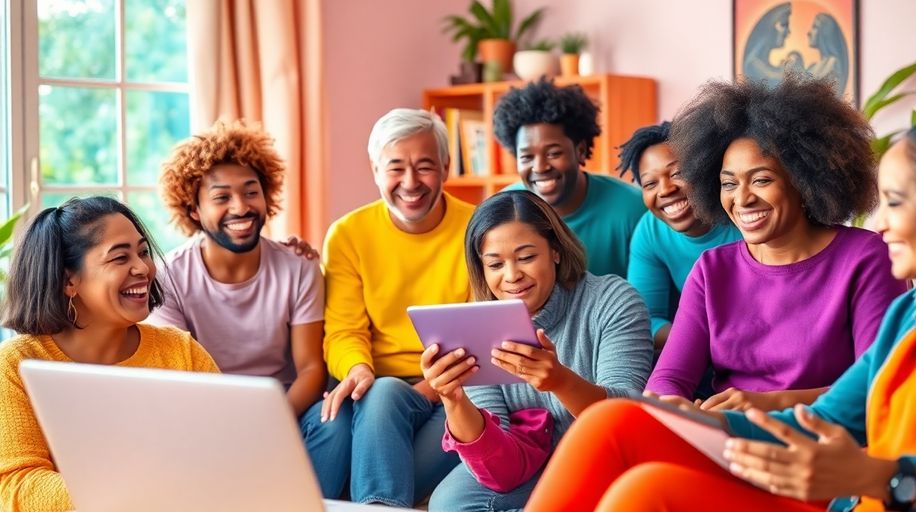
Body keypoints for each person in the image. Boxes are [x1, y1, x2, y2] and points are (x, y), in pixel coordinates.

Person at [526, 108, 916, 512]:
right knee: (615, 425)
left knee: (645, 489)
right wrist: (697, 422)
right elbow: (829, 417)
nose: (884, 224)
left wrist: (874, 474)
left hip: (858, 491)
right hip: (828, 482)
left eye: (895, 202)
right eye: (727, 183)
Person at [646, 75, 908, 412]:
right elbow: (669, 378)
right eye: (728, 184)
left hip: (819, 442)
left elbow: (881, 381)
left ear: (803, 181)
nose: (742, 198)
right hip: (725, 439)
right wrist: (670, 406)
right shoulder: (712, 270)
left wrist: (768, 404)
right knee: (611, 423)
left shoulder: (865, 258)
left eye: (761, 180)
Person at [146, 120, 347, 498]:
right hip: (208, 415)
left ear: (266, 196)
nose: (240, 207)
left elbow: (310, 368)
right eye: (221, 197)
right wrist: (234, 429)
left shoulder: (299, 266)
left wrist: (269, 422)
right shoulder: (169, 277)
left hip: (286, 408)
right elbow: (179, 378)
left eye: (250, 192)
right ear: (193, 209)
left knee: (336, 421)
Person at [422, 190, 652, 512]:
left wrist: (560, 382)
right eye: (495, 264)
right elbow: (502, 473)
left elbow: (627, 424)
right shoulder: (476, 325)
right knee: (449, 503)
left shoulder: (613, 301)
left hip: (605, 461)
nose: (512, 276)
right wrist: (453, 398)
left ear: (555, 251)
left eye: (526, 257)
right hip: (526, 466)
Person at [0, 197, 220, 512]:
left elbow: (228, 454)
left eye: (143, 252)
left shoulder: (181, 351)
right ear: (69, 281)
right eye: (120, 258)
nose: (143, 267)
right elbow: (17, 488)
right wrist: (139, 487)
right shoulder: (16, 364)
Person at [319, 108, 475, 507]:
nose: (410, 182)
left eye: (424, 166)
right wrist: (358, 369)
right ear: (374, 169)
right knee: (382, 395)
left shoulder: (477, 228)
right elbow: (343, 330)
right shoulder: (348, 235)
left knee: (373, 433)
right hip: (372, 390)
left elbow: (479, 336)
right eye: (395, 168)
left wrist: (428, 390)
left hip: (452, 392)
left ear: (445, 165)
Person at [494, 78, 646, 279]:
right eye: (527, 157)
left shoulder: (632, 208)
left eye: (553, 153)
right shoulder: (501, 211)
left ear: (580, 150)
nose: (540, 167)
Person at [616, 122, 742, 350]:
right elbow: (646, 319)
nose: (665, 190)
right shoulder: (650, 231)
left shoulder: (743, 215)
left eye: (678, 173)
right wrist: (703, 343)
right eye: (650, 183)